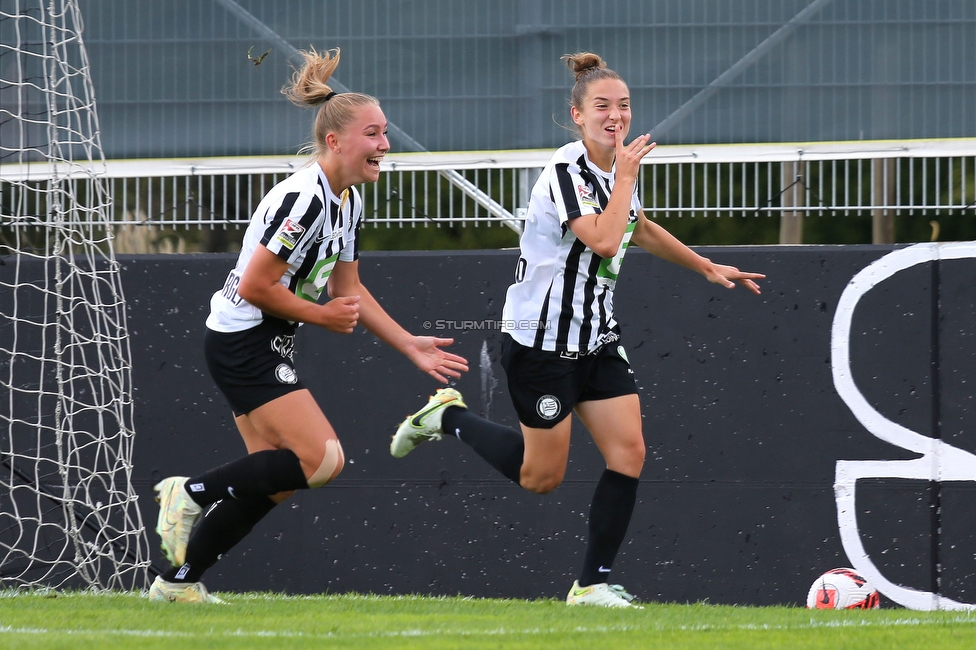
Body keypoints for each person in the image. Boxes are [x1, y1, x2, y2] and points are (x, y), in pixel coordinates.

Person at [389, 52, 764, 608]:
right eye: (602, 107)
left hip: (595, 336)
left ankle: (590, 585)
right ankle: (447, 416)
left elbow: (638, 227)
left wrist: (705, 265)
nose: (616, 116)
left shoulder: (614, 173)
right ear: (577, 115)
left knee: (629, 451)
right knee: (542, 477)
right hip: (542, 342)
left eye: (625, 106)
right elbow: (607, 239)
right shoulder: (568, 171)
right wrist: (628, 176)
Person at [148, 48, 468, 603]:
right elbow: (255, 286)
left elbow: (350, 292)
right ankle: (189, 492)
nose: (385, 145)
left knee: (276, 482)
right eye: (373, 134)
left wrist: (408, 344)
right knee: (322, 460)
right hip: (242, 339)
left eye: (385, 133)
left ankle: (177, 584)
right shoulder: (306, 199)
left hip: (261, 339)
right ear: (335, 142)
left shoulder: (346, 203)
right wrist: (320, 315)